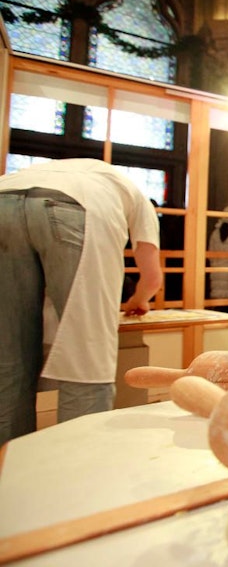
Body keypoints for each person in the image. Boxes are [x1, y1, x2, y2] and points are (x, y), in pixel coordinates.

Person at [0, 158, 163, 443]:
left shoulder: (57, 169)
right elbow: (151, 278)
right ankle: (77, 471)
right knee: (86, 358)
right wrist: (139, 300)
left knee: (8, 360)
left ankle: (7, 471)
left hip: (4, 197)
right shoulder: (137, 197)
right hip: (75, 205)